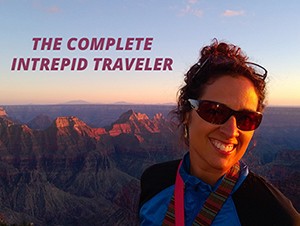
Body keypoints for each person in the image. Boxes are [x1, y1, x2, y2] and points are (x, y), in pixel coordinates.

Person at [139, 39, 300, 226]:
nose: (231, 130)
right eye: (215, 111)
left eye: (246, 118)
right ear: (186, 114)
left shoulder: (276, 216)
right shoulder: (154, 181)